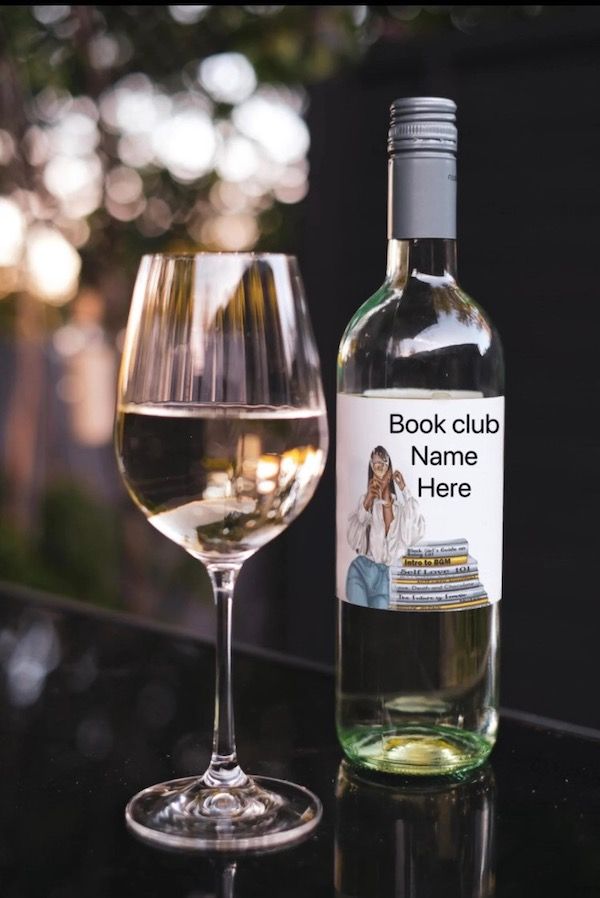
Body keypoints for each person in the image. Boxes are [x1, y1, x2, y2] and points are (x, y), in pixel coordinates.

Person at [346, 445, 425, 609]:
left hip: (384, 578)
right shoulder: (366, 503)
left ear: (389, 472)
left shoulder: (401, 510)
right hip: (361, 570)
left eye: (383, 464)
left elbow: (413, 534)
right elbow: (353, 538)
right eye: (375, 465)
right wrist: (367, 500)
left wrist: (405, 490)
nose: (379, 469)